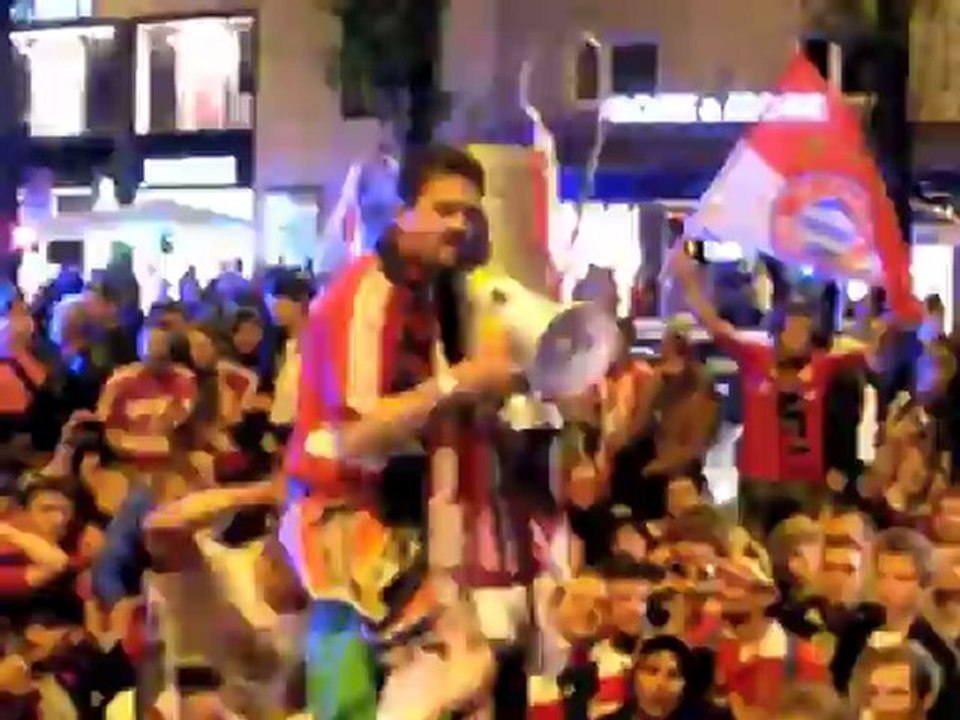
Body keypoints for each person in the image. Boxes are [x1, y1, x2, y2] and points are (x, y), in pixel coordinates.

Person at [283, 144, 514, 719]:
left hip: (406, 527)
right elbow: (356, 436)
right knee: (353, 704)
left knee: (463, 679)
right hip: (343, 527)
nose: (460, 225)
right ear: (402, 212)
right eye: (445, 209)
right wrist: (460, 382)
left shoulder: (434, 293)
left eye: (469, 212)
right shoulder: (364, 295)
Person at [665, 244, 865, 537]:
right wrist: (688, 280)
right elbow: (714, 326)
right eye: (791, 326)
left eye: (803, 327)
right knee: (754, 549)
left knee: (802, 551)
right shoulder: (755, 356)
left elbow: (877, 352)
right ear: (778, 328)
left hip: (805, 485)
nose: (797, 333)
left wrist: (885, 289)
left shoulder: (825, 365)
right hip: (757, 479)